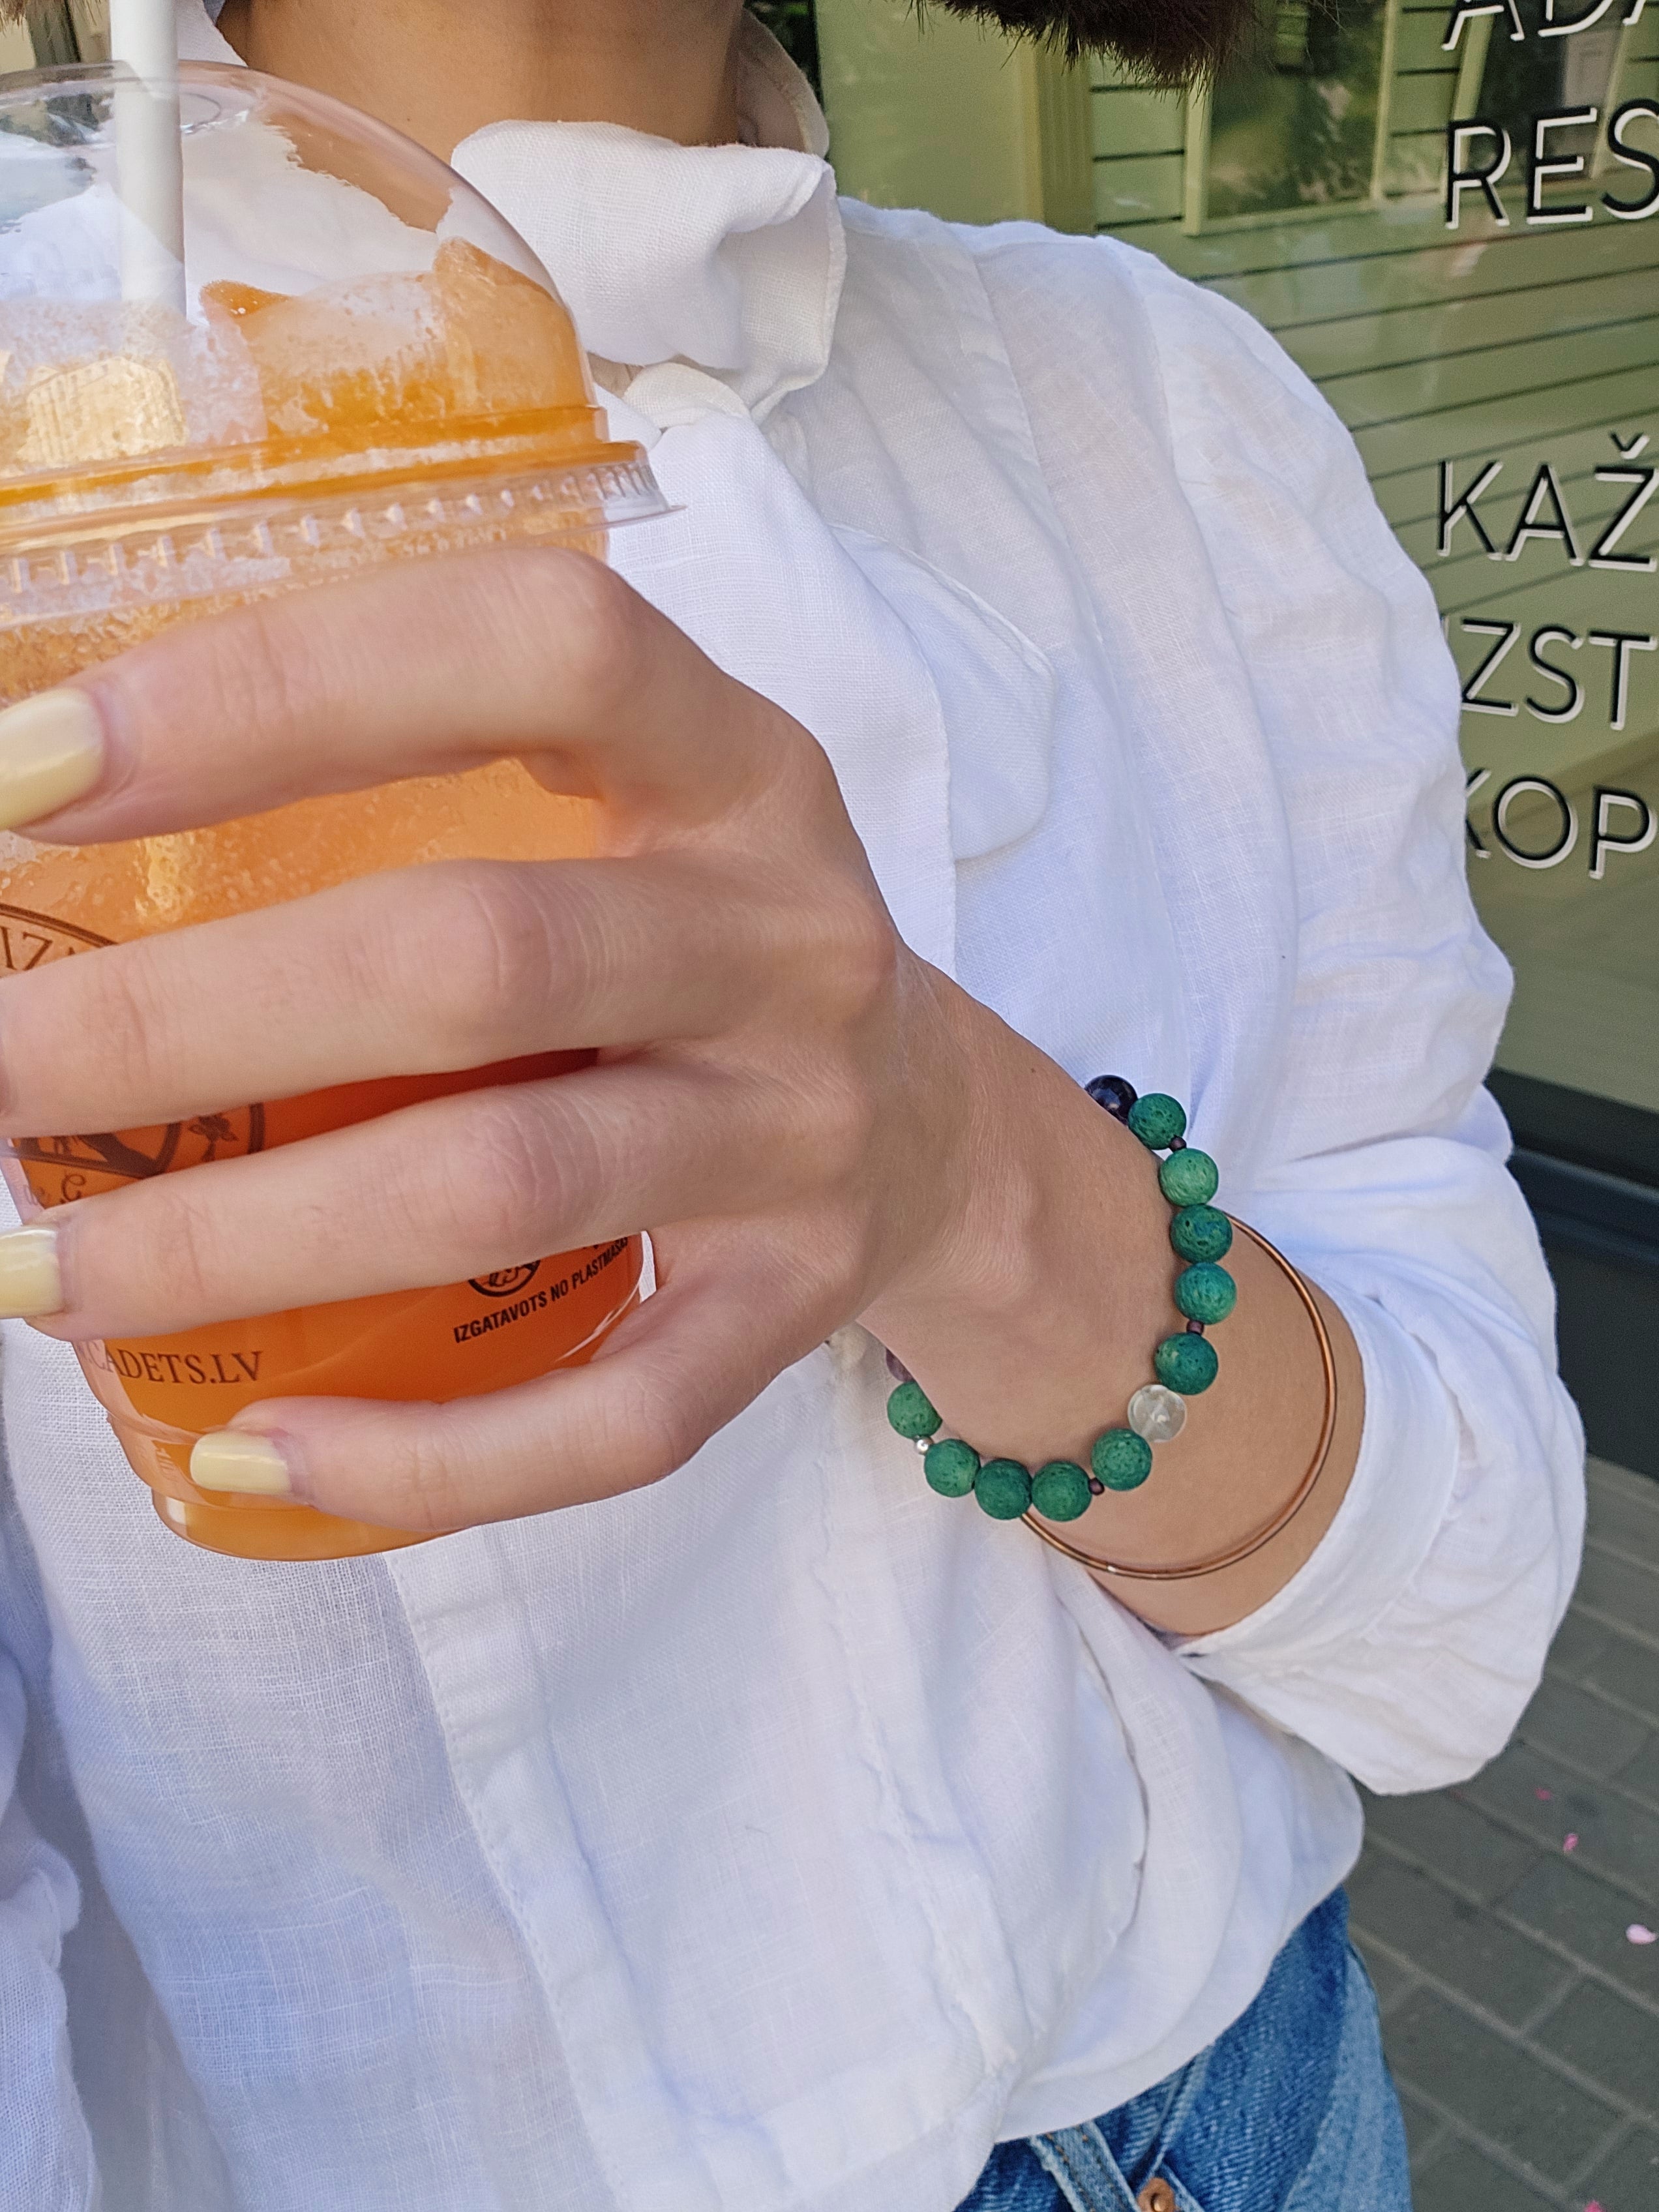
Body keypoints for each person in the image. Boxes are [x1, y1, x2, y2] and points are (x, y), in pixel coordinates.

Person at [0, 1, 1583, 2207]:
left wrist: (963, 1170)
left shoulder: (1170, 404)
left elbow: (1459, 1633)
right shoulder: (46, 406)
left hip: (1262, 2112)